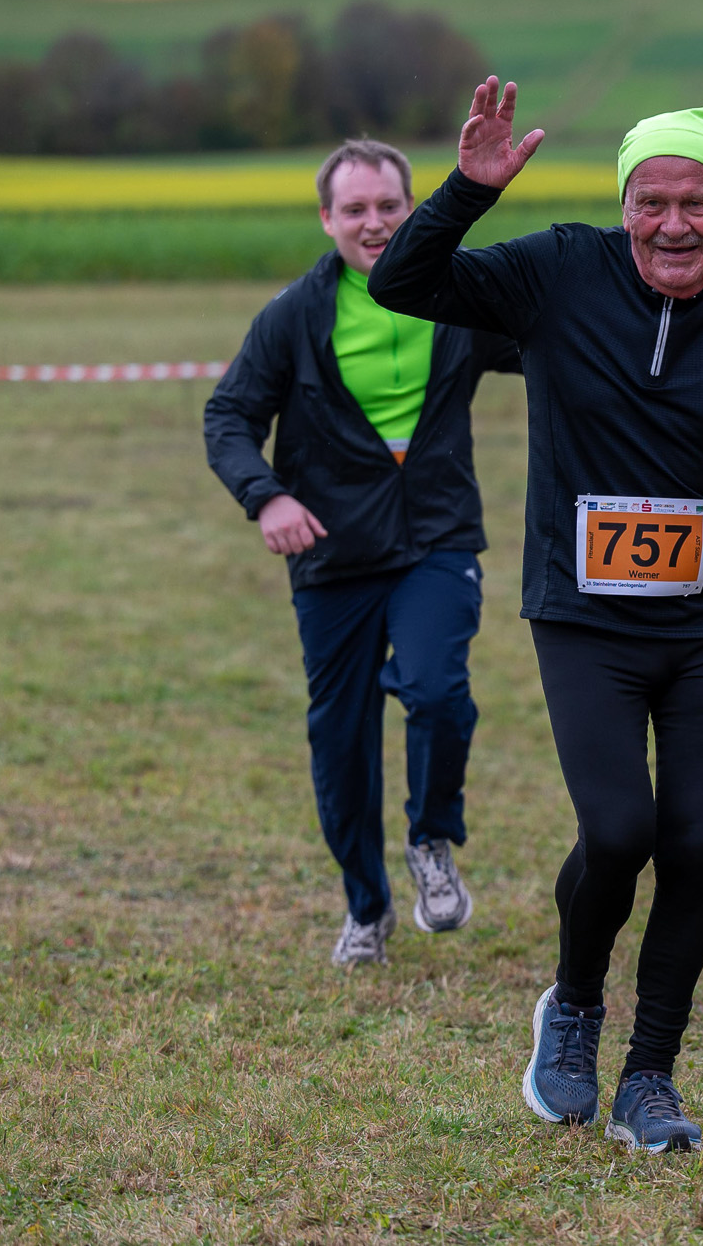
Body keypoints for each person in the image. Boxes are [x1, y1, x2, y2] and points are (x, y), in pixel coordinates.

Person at [367, 81, 703, 1155]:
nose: (671, 224)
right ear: (622, 206)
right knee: (618, 831)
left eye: (696, 203)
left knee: (694, 844)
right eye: (650, 201)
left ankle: (649, 1075)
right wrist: (467, 190)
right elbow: (402, 281)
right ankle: (571, 1007)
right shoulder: (560, 269)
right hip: (583, 611)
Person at [204, 139, 522, 967]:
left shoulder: (457, 297)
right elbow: (229, 415)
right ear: (327, 218)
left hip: (436, 537)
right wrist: (266, 495)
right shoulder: (293, 316)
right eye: (355, 209)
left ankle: (431, 839)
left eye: (389, 206)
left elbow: (558, 342)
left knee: (438, 690)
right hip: (332, 554)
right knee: (341, 742)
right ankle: (366, 906)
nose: (374, 222)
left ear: (413, 209)